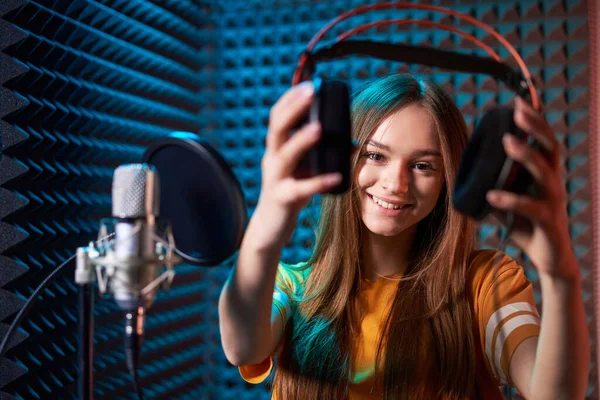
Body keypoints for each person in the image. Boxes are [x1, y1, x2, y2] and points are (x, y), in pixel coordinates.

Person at [218, 74, 589, 399]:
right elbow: (241, 346)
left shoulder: (485, 284)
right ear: (343, 159)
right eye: (376, 156)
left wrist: (561, 275)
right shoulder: (291, 285)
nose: (395, 184)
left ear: (450, 181)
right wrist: (266, 225)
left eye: (423, 165)